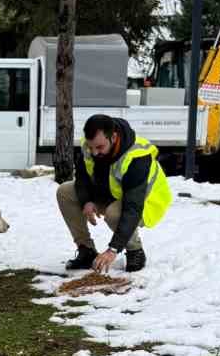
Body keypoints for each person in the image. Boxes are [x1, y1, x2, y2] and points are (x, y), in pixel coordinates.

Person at [56, 113, 174, 273]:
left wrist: (113, 250)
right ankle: (86, 251)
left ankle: (135, 251)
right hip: (109, 192)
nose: (95, 152)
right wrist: (87, 201)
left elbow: (132, 207)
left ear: (114, 137)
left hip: (144, 201)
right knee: (65, 191)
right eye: (91, 147)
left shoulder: (137, 156)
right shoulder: (90, 145)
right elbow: (82, 177)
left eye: (99, 147)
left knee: (114, 213)